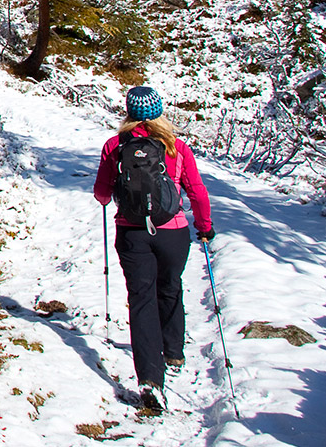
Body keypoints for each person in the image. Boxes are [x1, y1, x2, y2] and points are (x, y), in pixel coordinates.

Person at [93, 85, 212, 413]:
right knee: (170, 287)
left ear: (129, 112)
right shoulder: (177, 147)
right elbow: (198, 193)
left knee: (141, 299)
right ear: (160, 111)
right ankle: (173, 351)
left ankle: (149, 380)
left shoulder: (115, 146)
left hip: (132, 233)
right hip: (173, 233)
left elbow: (102, 194)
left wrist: (114, 195)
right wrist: (204, 227)